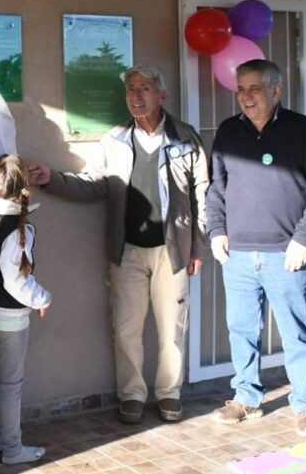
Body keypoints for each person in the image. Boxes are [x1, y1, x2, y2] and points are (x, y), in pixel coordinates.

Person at [29, 64, 208, 425]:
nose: (136, 96)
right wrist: (53, 180)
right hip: (126, 250)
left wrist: (198, 248)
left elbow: (202, 194)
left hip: (171, 250)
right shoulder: (115, 141)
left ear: (162, 95)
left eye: (144, 88)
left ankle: (169, 393)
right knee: (126, 329)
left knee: (173, 328)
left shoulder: (185, 138)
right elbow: (94, 184)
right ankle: (132, 394)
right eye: (131, 89)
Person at [205, 60, 306, 437]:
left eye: (254, 89)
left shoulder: (303, 130)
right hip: (238, 253)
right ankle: (246, 397)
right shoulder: (228, 132)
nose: (245, 97)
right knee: (241, 329)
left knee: (297, 334)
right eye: (241, 89)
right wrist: (216, 231)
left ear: (276, 90)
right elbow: (216, 188)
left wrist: (304, 237)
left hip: (286, 254)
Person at [0, 155, 52, 465]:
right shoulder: (19, 229)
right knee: (10, 387)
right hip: (9, 321)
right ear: (25, 190)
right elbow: (16, 282)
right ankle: (12, 449)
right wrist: (42, 299)